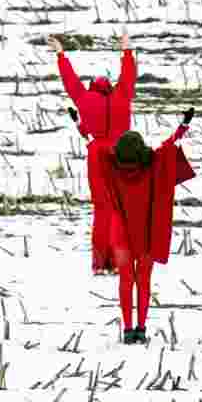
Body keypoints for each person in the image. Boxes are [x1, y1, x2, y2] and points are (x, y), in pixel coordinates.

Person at [100, 109, 195, 344]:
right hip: (147, 233)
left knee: (125, 281)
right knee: (143, 281)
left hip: (121, 233)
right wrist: (183, 125)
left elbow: (95, 146)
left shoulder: (111, 167)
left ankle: (127, 329)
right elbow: (168, 146)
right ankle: (141, 328)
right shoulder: (153, 164)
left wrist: (81, 126)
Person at [50, 33, 136, 275]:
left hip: (97, 155)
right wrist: (127, 51)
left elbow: (70, 82)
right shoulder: (122, 95)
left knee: (102, 209)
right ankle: (118, 262)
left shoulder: (85, 98)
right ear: (110, 87)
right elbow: (128, 76)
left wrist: (61, 55)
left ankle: (99, 264)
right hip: (122, 154)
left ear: (93, 87)